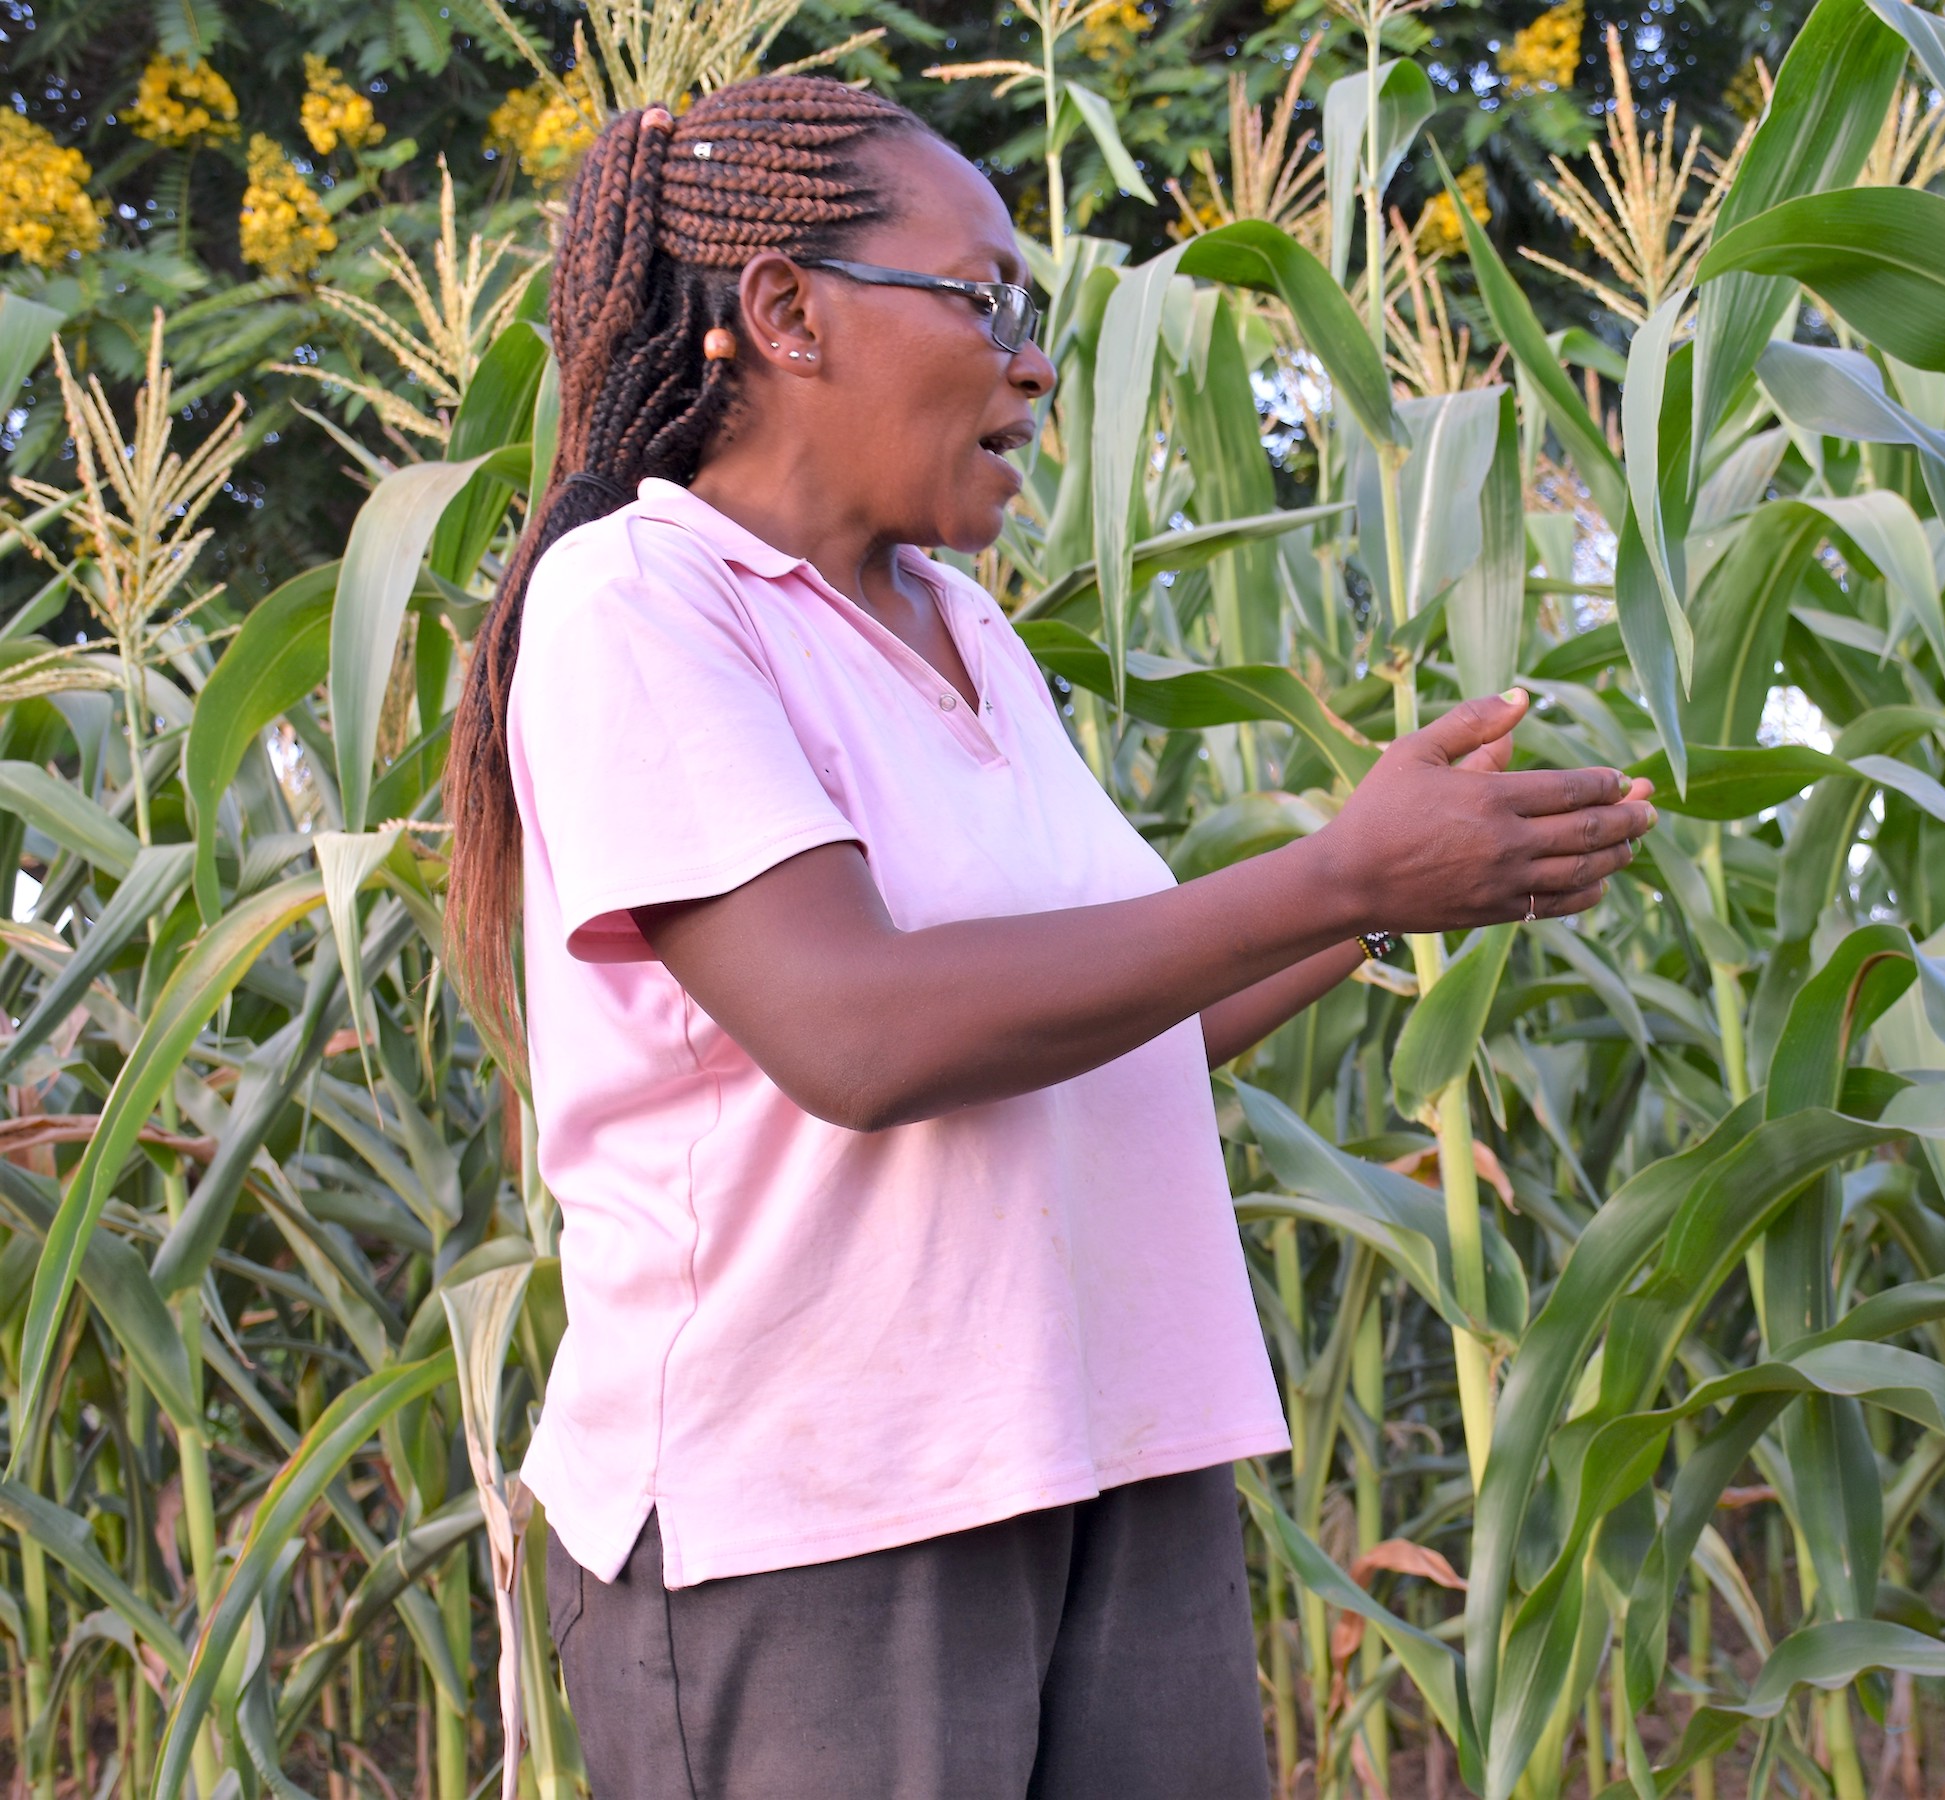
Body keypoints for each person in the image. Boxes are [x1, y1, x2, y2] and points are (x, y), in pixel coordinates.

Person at [444, 74, 1656, 1800]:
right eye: (990, 299)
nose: (1034, 360)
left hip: (1102, 1444)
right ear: (785, 314)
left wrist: (1421, 888)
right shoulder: (640, 602)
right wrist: (1340, 882)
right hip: (819, 1515)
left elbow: (1099, 1022)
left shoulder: (961, 627)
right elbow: (860, 1037)